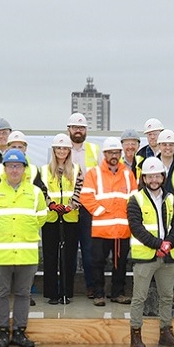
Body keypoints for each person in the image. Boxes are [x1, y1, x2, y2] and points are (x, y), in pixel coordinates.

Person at [0, 148, 47, 347]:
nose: (14, 170)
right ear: (4, 168)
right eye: (10, 166)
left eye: (18, 166)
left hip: (27, 254)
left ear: (24, 169)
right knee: (1, 294)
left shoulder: (35, 193)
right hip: (1, 254)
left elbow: (41, 217)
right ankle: (2, 332)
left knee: (23, 294)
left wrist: (27, 229)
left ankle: (19, 331)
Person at [126, 157, 174, 347]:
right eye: (149, 176)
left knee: (167, 296)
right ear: (143, 177)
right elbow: (136, 228)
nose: (154, 179)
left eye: (157, 175)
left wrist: (168, 244)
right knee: (140, 298)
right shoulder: (135, 199)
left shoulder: (170, 198)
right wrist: (159, 244)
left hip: (168, 257)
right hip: (145, 257)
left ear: (163, 176)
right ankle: (135, 335)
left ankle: (165, 333)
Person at [79, 137, 138, 306]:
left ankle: (118, 293)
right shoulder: (94, 173)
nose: (114, 155)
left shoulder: (128, 174)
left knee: (120, 263)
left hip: (122, 229)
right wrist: (100, 212)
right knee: (97, 262)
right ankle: (99, 294)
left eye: (117, 152)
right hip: (101, 228)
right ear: (104, 154)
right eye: (111, 152)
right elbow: (86, 196)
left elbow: (134, 198)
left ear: (120, 154)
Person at [41, 133, 80, 305]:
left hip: (70, 218)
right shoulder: (44, 170)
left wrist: (71, 206)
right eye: (59, 148)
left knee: (68, 257)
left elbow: (80, 190)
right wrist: (51, 204)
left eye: (65, 148)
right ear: (54, 150)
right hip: (51, 218)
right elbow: (41, 191)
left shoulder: (77, 169)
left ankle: (66, 292)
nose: (62, 151)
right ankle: (52, 293)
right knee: (50, 256)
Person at [66, 112, 100, 299]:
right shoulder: (61, 148)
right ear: (68, 129)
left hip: (88, 207)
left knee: (89, 250)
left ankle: (92, 287)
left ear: (86, 130)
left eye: (81, 128)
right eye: (75, 127)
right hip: (68, 207)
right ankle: (66, 288)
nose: (78, 130)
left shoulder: (95, 150)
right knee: (68, 250)